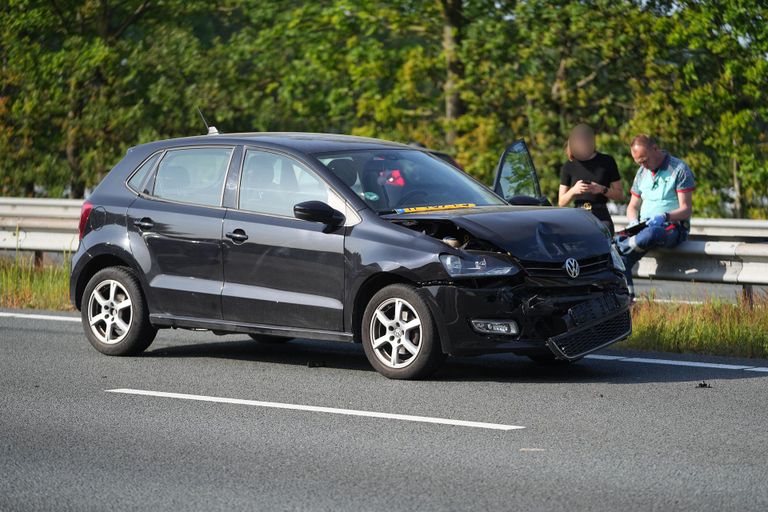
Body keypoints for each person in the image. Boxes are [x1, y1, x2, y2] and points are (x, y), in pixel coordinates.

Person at [615, 134, 695, 297]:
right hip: (643, 228)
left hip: (670, 227)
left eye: (645, 160)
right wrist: (632, 222)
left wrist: (665, 216)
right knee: (619, 260)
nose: (643, 165)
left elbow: (686, 209)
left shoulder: (679, 169)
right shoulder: (642, 172)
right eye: (639, 162)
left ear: (655, 149)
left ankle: (619, 246)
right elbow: (632, 206)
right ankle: (628, 300)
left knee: (652, 233)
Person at [558, 124, 624, 235]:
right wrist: (574, 190)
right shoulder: (568, 166)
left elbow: (620, 195)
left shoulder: (607, 161)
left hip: (601, 214)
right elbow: (561, 202)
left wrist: (602, 189)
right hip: (578, 214)